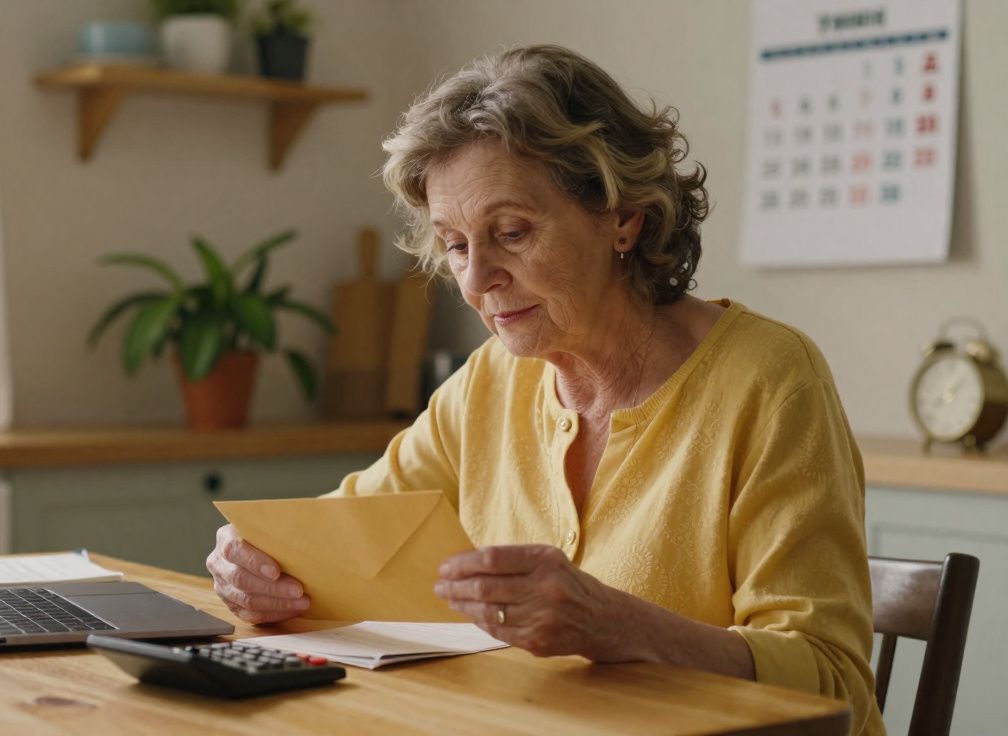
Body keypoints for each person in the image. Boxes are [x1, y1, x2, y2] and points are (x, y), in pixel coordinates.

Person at [205, 44, 882, 734]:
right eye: (457, 245)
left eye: (511, 232)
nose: (475, 282)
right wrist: (253, 566)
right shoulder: (490, 382)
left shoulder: (770, 379)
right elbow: (334, 542)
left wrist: (618, 626)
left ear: (624, 217)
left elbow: (833, 684)